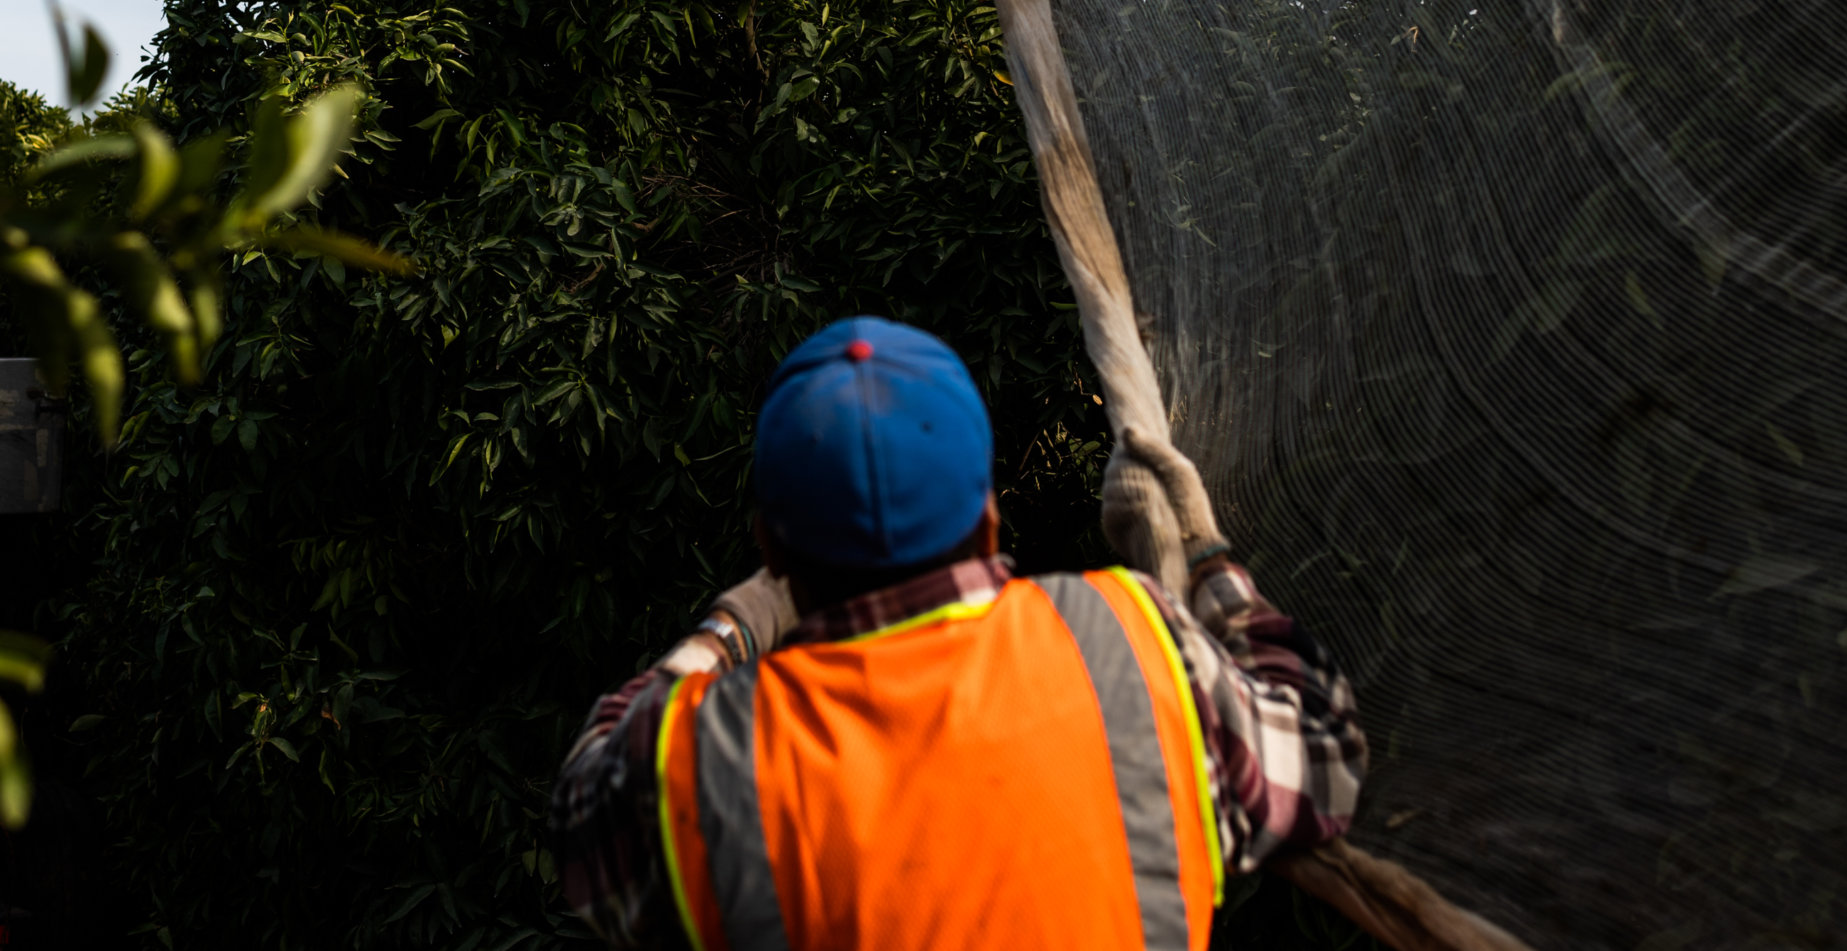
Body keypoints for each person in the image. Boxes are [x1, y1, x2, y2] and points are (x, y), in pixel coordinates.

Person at [551, 316, 1366, 951]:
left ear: (772, 549)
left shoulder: (705, 759)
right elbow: (1325, 759)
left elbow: (585, 815)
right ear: (987, 512)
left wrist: (733, 624)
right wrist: (1204, 554)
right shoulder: (1131, 640)